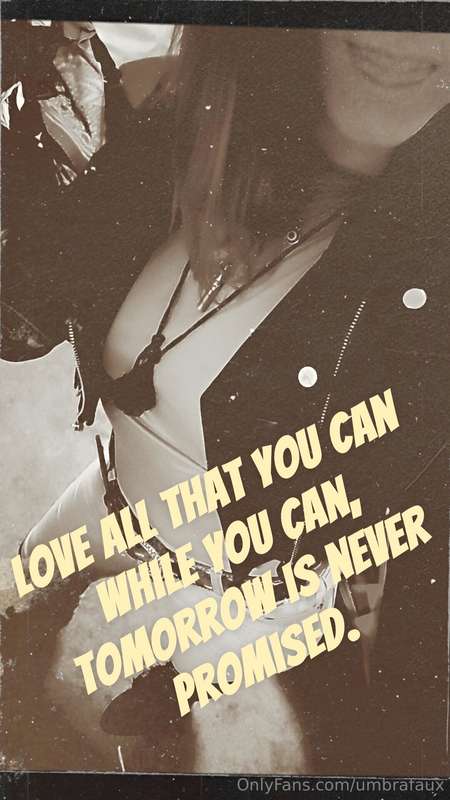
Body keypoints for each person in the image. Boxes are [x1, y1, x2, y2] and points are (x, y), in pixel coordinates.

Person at [1, 25, 449, 774]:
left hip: (247, 598)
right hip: (109, 499)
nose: (407, 22)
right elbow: (25, 315)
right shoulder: (168, 120)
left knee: (153, 723)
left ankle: (169, 695)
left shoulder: (421, 274)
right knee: (20, 599)